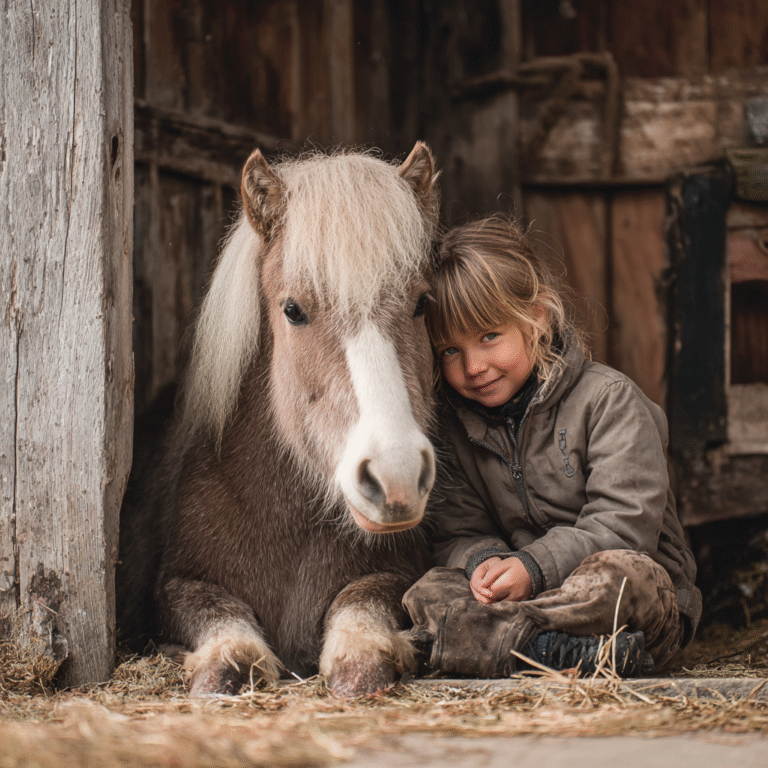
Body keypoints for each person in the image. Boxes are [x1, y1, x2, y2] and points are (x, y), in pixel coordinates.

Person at [404, 217, 701, 678]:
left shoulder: (608, 401)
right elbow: (457, 532)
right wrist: (483, 563)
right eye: (450, 351)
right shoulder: (453, 428)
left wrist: (533, 567)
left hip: (623, 600)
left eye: (489, 336)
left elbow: (625, 525)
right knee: (427, 591)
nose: (473, 366)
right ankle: (552, 652)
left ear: (537, 318)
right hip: (521, 594)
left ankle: (498, 646)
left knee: (621, 576)